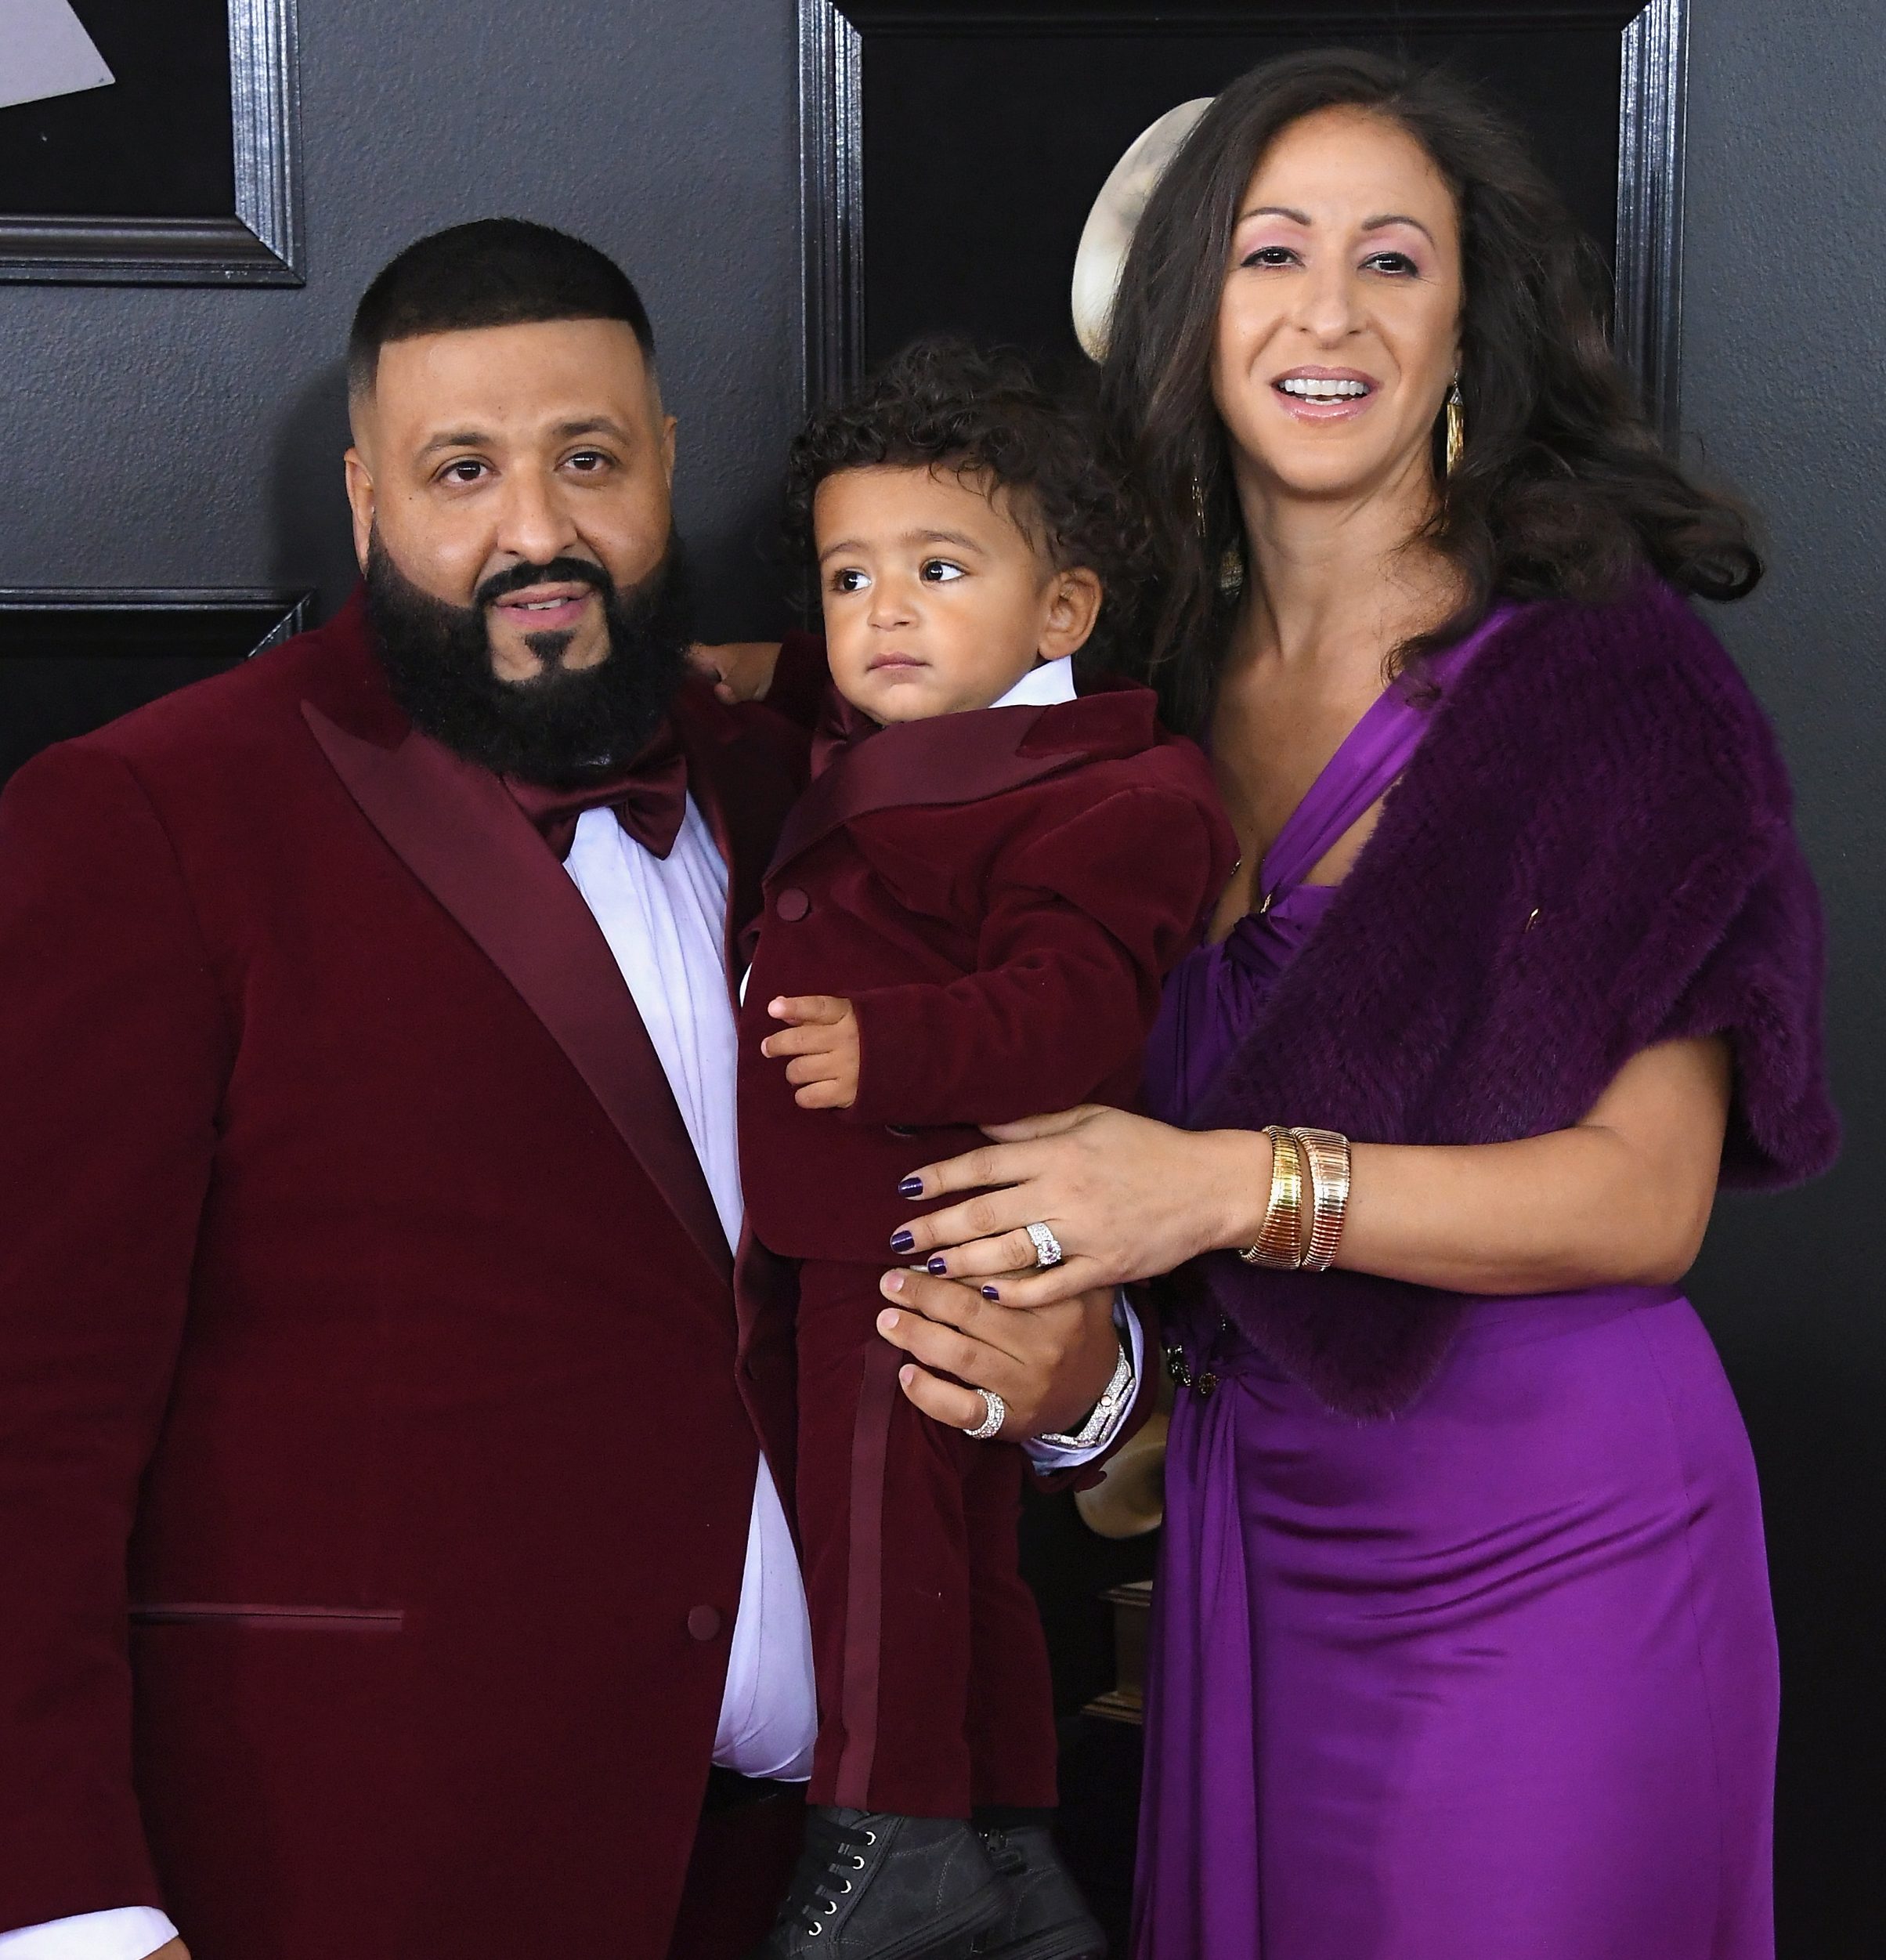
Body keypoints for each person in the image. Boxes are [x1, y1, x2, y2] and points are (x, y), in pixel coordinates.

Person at [0, 220, 1126, 1960]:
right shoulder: (146, 822)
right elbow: (31, 1415)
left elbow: (985, 1199)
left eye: (587, 460)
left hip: (810, 1884)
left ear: (667, 471)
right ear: (370, 503)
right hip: (360, 1877)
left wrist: (1084, 1391)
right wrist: (71, 1914)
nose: (537, 531)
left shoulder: (817, 798)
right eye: (466, 471)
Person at [857, 52, 1840, 1960]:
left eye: (1393, 262)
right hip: (1257, 1540)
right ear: (1187, 314)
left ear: (1468, 324)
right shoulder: (1117, 686)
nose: (1326, 312)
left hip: (1561, 1536)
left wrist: (1222, 1186)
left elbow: (1641, 1200)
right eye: (1267, 253)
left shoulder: (1598, 676)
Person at [736, 340, 1235, 1960]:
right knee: (960, 1562)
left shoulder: (1110, 789)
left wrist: (898, 1043)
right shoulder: (897, 723)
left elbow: (1080, 1014)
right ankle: (1008, 1843)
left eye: (937, 572)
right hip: (850, 1230)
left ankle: (881, 1830)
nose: (882, 612)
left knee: (877, 1546)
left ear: (1061, 613)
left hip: (917, 1231)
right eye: (849, 576)